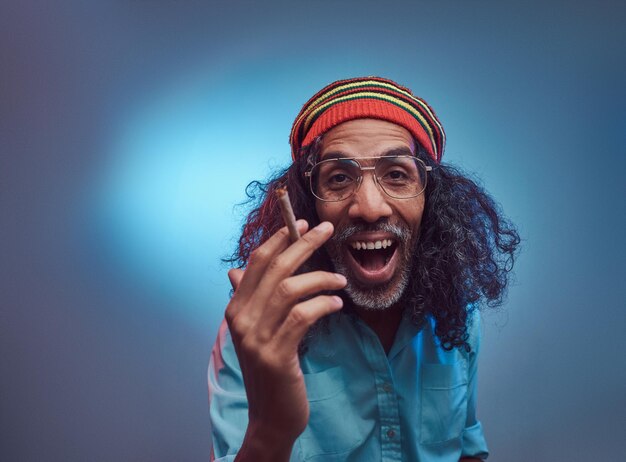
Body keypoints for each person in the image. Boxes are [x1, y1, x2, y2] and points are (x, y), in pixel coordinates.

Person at [208, 77, 520, 461]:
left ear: (431, 200)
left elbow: (467, 449)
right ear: (308, 206)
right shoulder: (258, 329)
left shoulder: (458, 317)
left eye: (396, 174)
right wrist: (271, 429)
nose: (370, 207)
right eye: (339, 178)